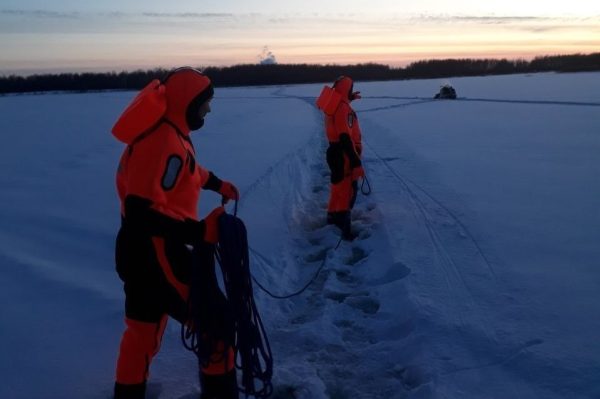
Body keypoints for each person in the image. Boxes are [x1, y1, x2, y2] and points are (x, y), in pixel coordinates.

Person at [111, 67, 239, 399]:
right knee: (217, 322)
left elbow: (188, 170)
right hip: (158, 253)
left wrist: (217, 184)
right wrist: (199, 232)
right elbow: (142, 212)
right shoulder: (163, 140)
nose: (208, 110)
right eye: (204, 104)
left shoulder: (171, 133)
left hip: (138, 252)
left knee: (141, 332)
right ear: (186, 102)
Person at [322, 75, 364, 240]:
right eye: (351, 89)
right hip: (343, 154)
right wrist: (355, 161)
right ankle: (343, 228)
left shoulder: (336, 104)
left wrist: (349, 99)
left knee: (338, 188)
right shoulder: (342, 108)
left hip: (335, 152)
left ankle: (333, 217)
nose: (352, 91)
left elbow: (339, 117)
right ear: (347, 89)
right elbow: (345, 137)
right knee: (346, 190)